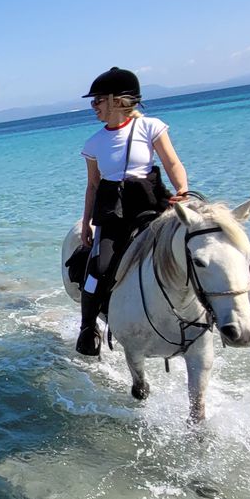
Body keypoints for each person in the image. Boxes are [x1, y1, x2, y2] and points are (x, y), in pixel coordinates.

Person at [75, 67, 190, 356]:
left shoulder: (150, 127)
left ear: (116, 100)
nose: (93, 107)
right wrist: (87, 223)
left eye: (97, 101)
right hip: (112, 211)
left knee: (194, 249)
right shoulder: (94, 143)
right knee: (98, 268)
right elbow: (92, 185)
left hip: (151, 204)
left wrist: (183, 193)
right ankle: (88, 327)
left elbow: (172, 163)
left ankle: (205, 312)